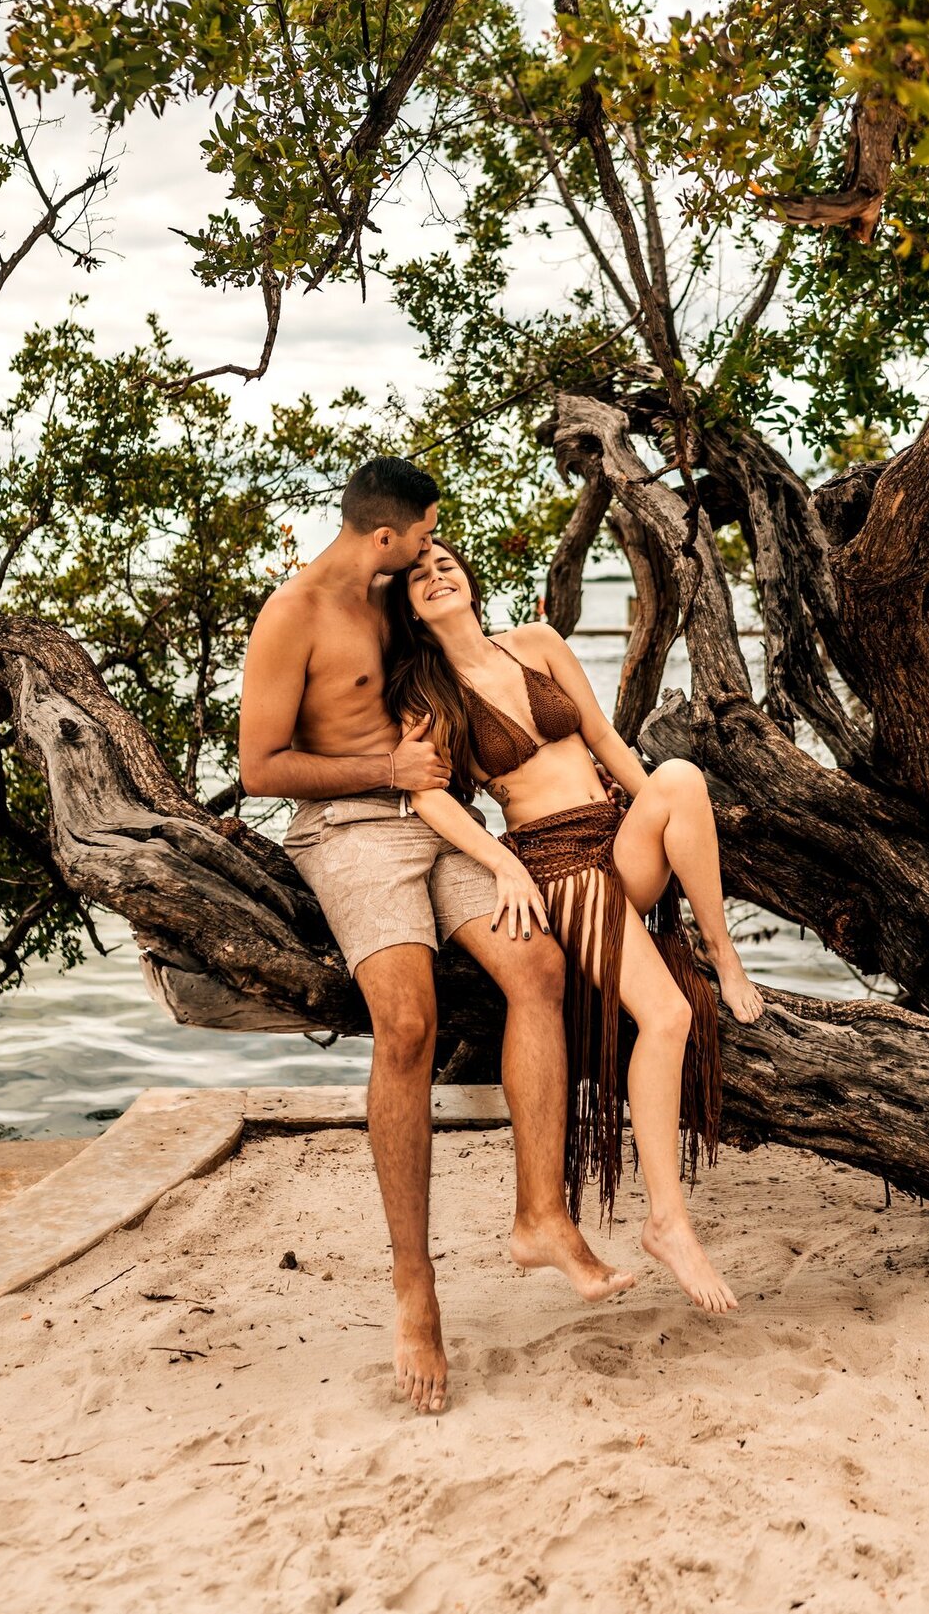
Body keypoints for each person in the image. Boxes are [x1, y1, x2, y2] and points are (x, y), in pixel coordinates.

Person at [238, 459, 633, 1416]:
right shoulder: (290, 615)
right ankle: (416, 1287)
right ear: (387, 534)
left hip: (440, 818)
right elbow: (258, 767)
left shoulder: (397, 596)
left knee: (537, 966)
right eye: (424, 533)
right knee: (407, 1024)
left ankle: (541, 1213)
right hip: (346, 831)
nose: (430, 548)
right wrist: (383, 763)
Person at [385, 537, 767, 1315]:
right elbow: (428, 797)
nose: (437, 575)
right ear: (410, 609)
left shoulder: (537, 643)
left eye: (447, 562)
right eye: (419, 576)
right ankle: (668, 1223)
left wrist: (656, 814)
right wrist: (502, 864)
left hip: (612, 837)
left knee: (681, 777)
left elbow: (604, 740)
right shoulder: (428, 691)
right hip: (555, 863)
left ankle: (721, 950)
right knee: (665, 1014)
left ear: (471, 574)